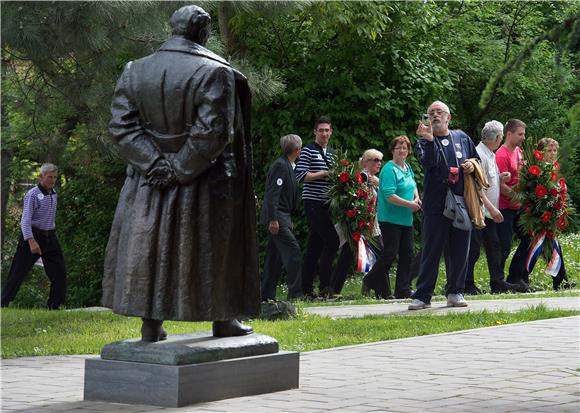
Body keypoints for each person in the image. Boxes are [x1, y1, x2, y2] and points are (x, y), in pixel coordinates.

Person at [101, 5, 260, 342]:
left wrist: (154, 164)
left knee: (150, 246)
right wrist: (177, 167)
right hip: (201, 182)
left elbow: (121, 126)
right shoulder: (214, 71)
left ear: (172, 29)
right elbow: (214, 132)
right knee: (214, 249)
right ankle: (223, 316)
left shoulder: (135, 70)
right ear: (202, 33)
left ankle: (151, 322)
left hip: (148, 179)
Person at [409, 101, 479, 310]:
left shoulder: (462, 137)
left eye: (440, 112)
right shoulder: (423, 142)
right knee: (431, 250)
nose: (435, 115)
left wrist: (471, 164)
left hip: (461, 201)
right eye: (431, 113)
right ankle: (423, 296)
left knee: (460, 249)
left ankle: (455, 292)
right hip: (436, 204)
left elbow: (476, 159)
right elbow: (430, 163)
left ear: (449, 117)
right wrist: (430, 139)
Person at [465, 121, 525, 294]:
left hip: (488, 212)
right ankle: (467, 283)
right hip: (480, 211)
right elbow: (477, 187)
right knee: (474, 249)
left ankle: (497, 282)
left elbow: (487, 180)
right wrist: (492, 209)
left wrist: (499, 178)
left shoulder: (490, 154)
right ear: (498, 137)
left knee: (494, 246)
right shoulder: (479, 155)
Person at [1, 163, 66, 310]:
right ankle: (2, 303)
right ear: (41, 176)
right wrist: (31, 242)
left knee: (59, 272)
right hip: (32, 236)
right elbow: (25, 221)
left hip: (50, 237)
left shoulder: (53, 193)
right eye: (50, 177)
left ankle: (54, 306)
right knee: (18, 272)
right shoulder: (33, 194)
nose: (53, 180)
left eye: (55, 177)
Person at [362, 137, 420, 299]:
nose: (402, 151)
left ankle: (402, 290)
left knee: (407, 255)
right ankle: (370, 279)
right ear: (392, 150)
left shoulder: (407, 167)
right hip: (390, 219)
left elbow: (413, 184)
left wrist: (416, 198)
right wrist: (410, 204)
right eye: (398, 148)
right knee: (390, 253)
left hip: (405, 219)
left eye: (405, 148)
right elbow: (389, 195)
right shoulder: (389, 169)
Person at [295, 116, 339, 299]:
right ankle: (326, 286)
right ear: (315, 132)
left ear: (331, 132)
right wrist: (324, 173)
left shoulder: (333, 153)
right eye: (321, 130)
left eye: (327, 130)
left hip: (328, 204)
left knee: (315, 246)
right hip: (313, 203)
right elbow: (300, 175)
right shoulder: (308, 151)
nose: (324, 133)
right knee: (333, 241)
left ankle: (306, 289)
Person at [331, 148, 384, 296]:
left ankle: (335, 288)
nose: (378, 163)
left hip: (371, 224)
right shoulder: (363, 176)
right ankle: (377, 289)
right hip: (361, 224)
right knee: (380, 255)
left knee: (348, 257)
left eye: (380, 160)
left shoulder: (374, 179)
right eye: (375, 160)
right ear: (366, 162)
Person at [260, 134, 304, 301]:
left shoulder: (288, 165)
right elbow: (273, 194)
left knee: (274, 257)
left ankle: (266, 295)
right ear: (297, 150)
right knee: (293, 252)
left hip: (282, 216)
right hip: (278, 217)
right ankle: (295, 293)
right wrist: (273, 219)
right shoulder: (281, 166)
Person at [495, 119, 530, 289]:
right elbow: (499, 186)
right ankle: (498, 281)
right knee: (504, 245)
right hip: (504, 207)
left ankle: (516, 276)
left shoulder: (518, 151)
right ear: (509, 134)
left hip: (517, 207)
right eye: (520, 134)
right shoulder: (501, 155)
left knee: (529, 239)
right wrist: (518, 196)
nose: (523, 137)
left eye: (523, 134)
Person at [536, 138, 573, 291]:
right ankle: (560, 281)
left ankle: (561, 280)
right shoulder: (538, 169)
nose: (552, 154)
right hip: (540, 213)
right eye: (548, 151)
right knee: (543, 247)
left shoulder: (555, 168)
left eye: (554, 150)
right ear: (541, 152)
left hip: (552, 212)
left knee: (552, 246)